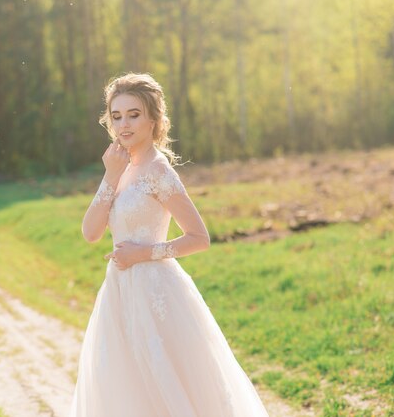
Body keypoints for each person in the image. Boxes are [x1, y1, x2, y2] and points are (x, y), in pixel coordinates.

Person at [69, 73, 269, 417]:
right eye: (116, 116)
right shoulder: (120, 168)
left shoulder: (159, 171)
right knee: (125, 388)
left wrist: (143, 253)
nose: (124, 124)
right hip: (119, 292)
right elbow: (90, 232)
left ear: (153, 119)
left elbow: (199, 238)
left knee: (164, 387)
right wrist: (109, 176)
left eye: (133, 114)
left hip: (155, 291)